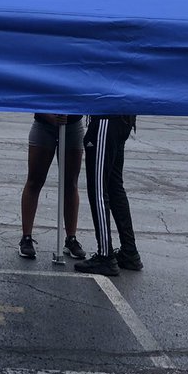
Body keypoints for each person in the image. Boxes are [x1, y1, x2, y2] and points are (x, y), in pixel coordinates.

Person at [74, 115, 141, 277]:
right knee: (114, 186)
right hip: (122, 117)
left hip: (107, 118)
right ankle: (129, 251)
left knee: (98, 189)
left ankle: (105, 255)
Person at [19, 114, 86, 260]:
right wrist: (47, 115)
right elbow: (33, 94)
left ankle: (71, 239)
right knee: (35, 181)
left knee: (71, 183)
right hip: (44, 124)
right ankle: (26, 238)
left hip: (72, 124)